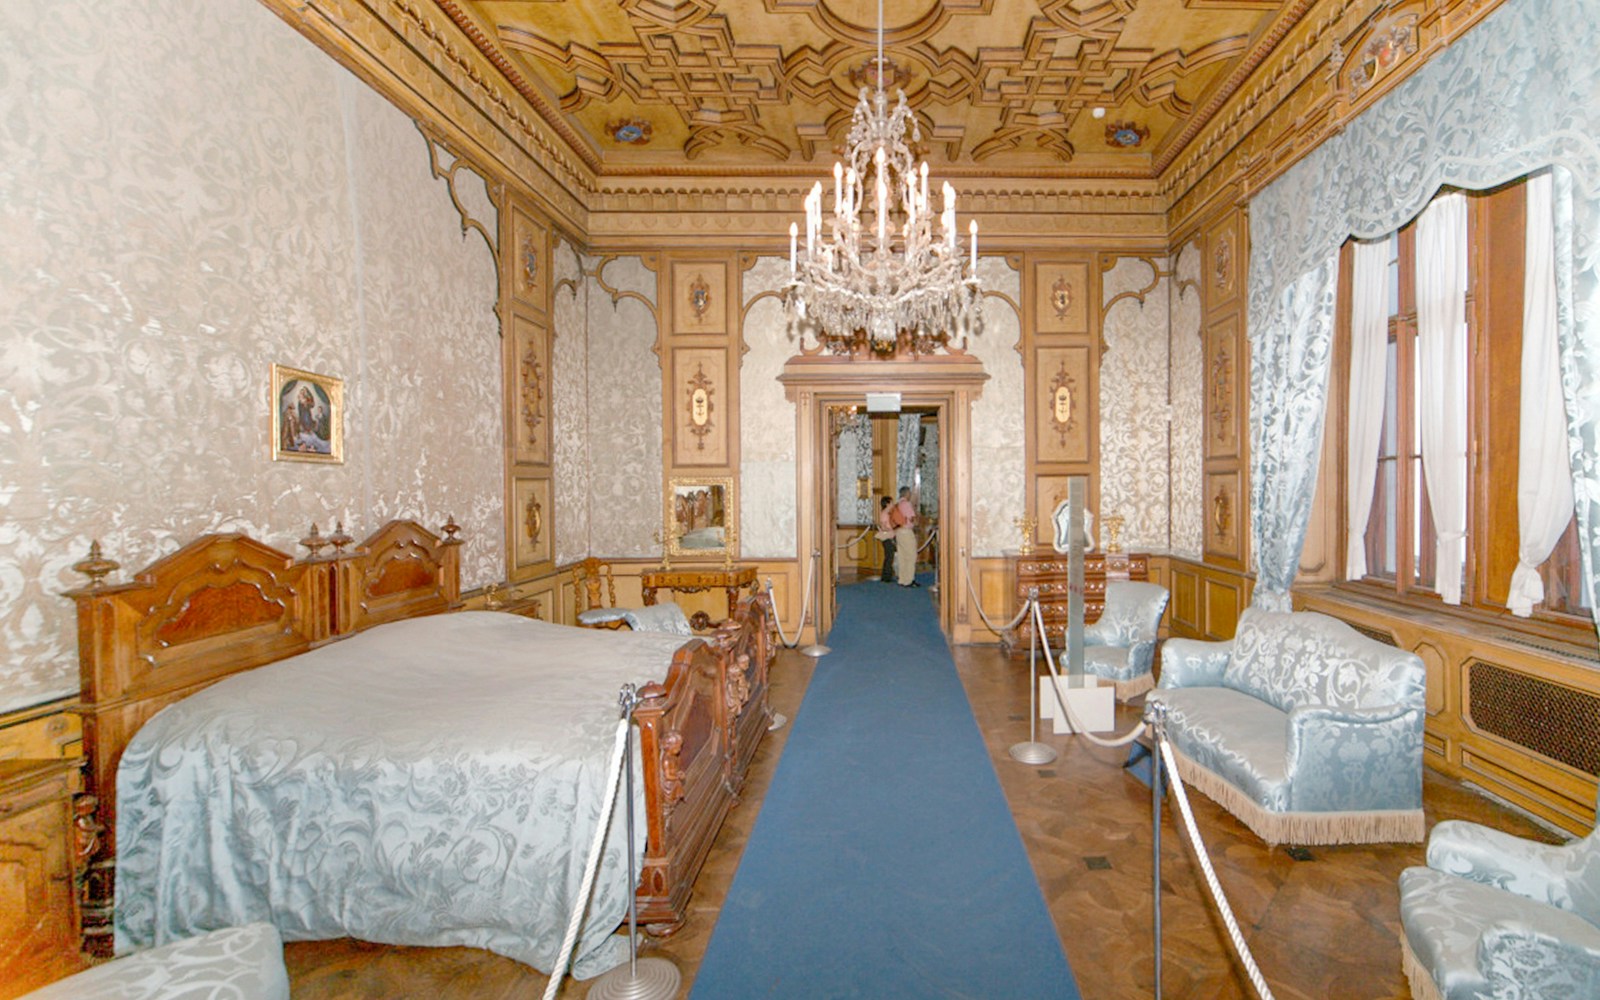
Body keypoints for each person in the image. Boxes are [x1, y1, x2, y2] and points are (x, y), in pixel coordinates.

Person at [892, 487, 918, 587]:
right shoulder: (906, 504)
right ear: (907, 494)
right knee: (911, 555)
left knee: (902, 555)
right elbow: (911, 518)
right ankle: (909, 580)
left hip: (898, 531)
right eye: (909, 493)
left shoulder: (898, 504)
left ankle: (902, 579)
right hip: (906, 531)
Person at [875, 496, 896, 583]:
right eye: (891, 502)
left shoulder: (886, 513)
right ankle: (886, 577)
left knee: (889, 556)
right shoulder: (885, 514)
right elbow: (884, 527)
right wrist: (893, 529)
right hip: (887, 537)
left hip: (889, 536)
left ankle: (887, 575)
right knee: (889, 556)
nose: (893, 504)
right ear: (887, 504)